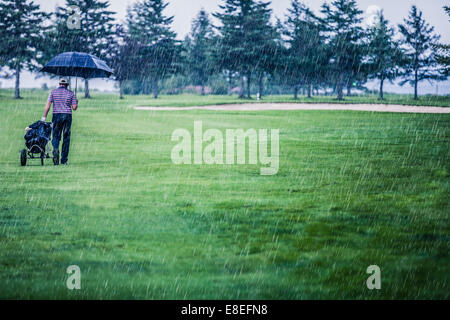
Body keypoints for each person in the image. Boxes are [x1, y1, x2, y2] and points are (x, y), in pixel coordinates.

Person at [42, 78, 78, 165]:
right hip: (67, 116)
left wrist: (44, 117)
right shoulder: (71, 93)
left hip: (56, 116)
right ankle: (64, 160)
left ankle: (55, 149)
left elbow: (48, 106)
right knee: (66, 138)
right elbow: (74, 108)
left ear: (59, 84)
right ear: (67, 85)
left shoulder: (53, 92)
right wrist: (76, 102)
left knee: (56, 135)